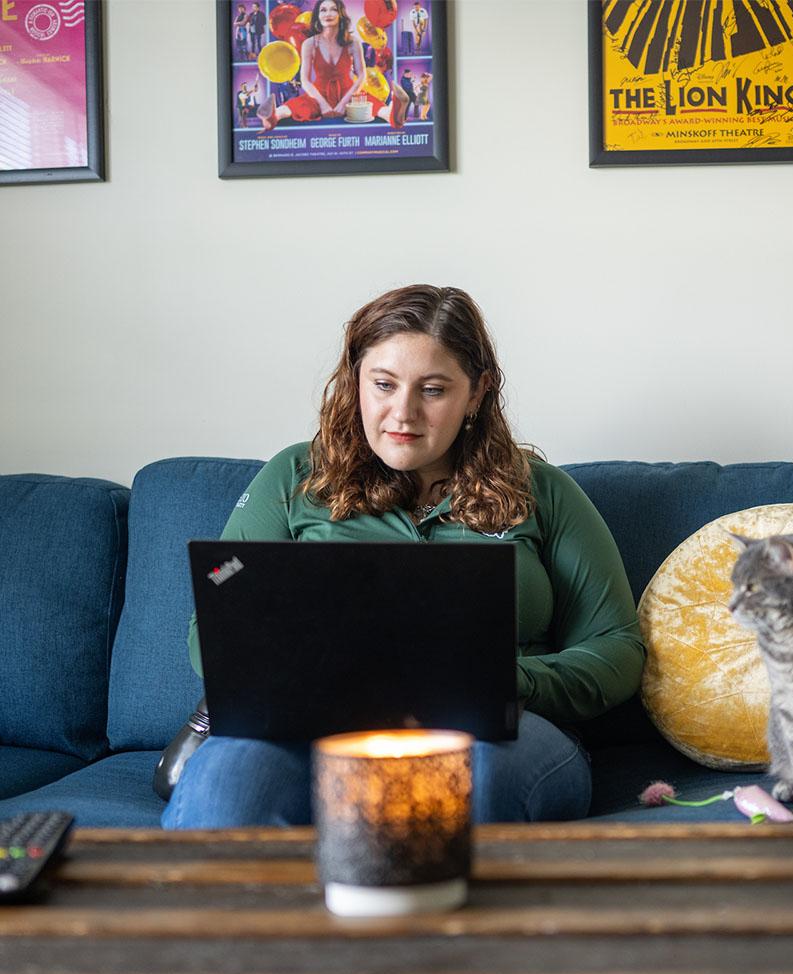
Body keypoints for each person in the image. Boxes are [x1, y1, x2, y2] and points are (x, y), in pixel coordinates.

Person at [162, 286, 645, 828]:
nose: (403, 413)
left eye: (433, 390)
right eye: (384, 385)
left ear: (478, 393)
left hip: (501, 731)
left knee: (477, 784)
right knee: (222, 797)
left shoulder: (544, 493)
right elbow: (214, 626)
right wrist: (307, 672)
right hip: (315, 731)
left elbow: (617, 647)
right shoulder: (293, 477)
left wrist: (514, 681)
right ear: (356, 381)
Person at [257, 0, 409, 132]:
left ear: (340, 14)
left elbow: (362, 76)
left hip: (349, 93)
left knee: (371, 103)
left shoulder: (353, 42)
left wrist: (343, 103)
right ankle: (273, 116)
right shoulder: (309, 43)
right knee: (298, 105)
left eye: (333, 9)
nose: (328, 13)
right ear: (317, 15)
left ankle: (392, 114)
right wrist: (323, 105)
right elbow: (305, 81)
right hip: (318, 94)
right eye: (323, 10)